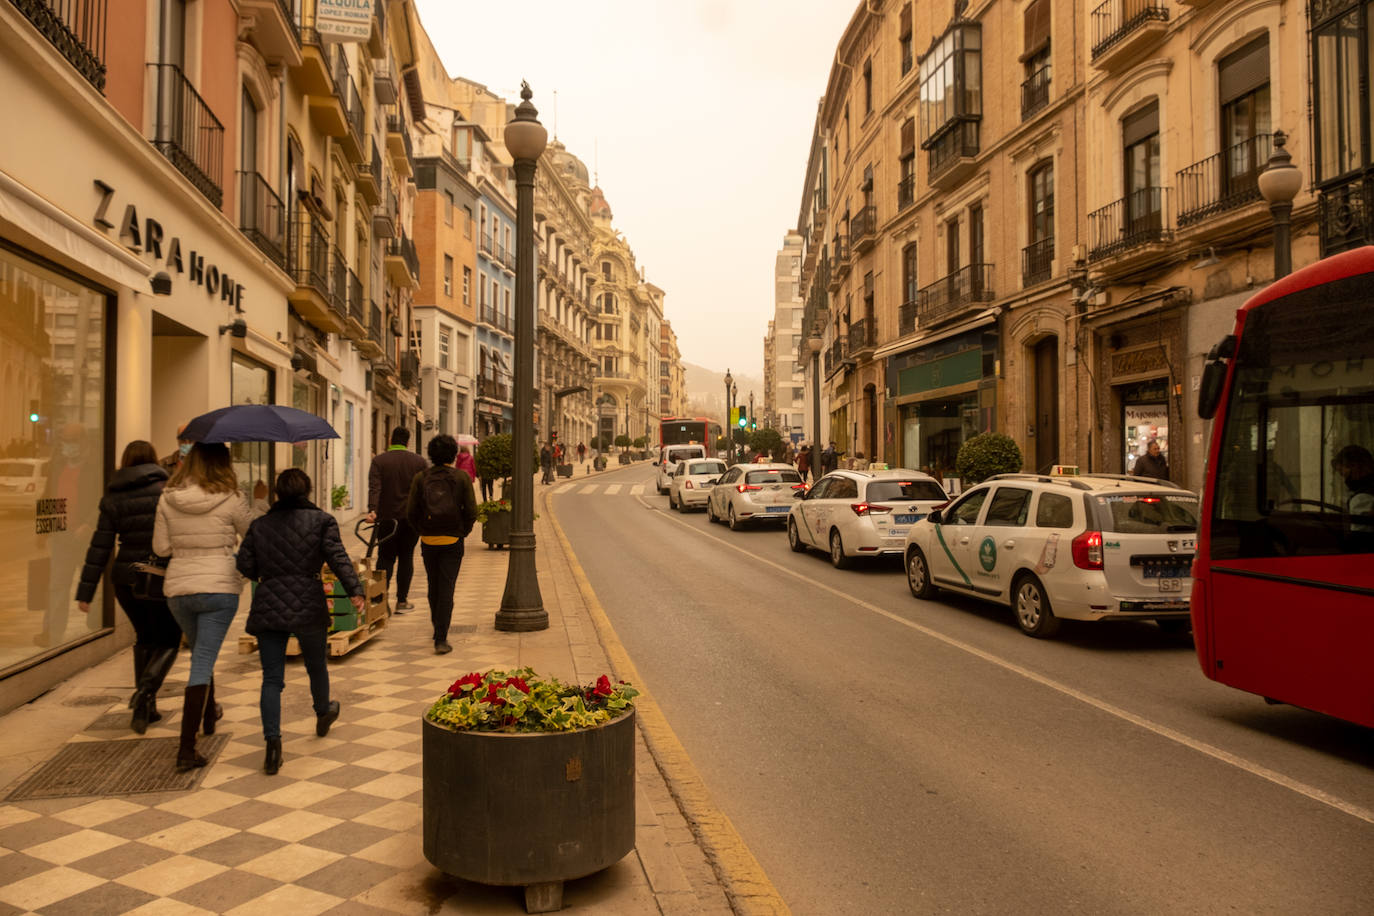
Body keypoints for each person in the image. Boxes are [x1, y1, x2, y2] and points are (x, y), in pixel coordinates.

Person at [237, 469, 364, 775]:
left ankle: (272, 745)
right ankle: (323, 712)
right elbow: (338, 558)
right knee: (316, 664)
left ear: (277, 493)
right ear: (307, 490)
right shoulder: (321, 521)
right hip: (308, 600)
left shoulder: (260, 525)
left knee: (271, 679)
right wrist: (355, 590)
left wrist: (267, 578)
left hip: (269, 602)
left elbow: (244, 563)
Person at [153, 442, 254, 772]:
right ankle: (186, 749)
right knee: (202, 659)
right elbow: (251, 535)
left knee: (201, 651)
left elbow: (161, 547)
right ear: (223, 463)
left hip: (179, 589)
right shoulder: (233, 497)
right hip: (219, 588)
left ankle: (210, 714)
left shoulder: (168, 497)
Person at [75, 440, 182, 733]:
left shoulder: (113, 495)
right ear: (152, 461)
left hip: (125, 579)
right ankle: (145, 692)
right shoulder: (168, 490)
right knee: (170, 638)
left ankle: (145, 712)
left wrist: (86, 592)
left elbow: (101, 545)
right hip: (160, 574)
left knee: (145, 637)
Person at [405, 434, 477, 654]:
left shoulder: (421, 477)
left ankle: (438, 627)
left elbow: (411, 512)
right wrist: (462, 532)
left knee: (432, 585)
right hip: (453, 540)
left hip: (428, 540)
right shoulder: (462, 478)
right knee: (447, 587)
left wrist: (422, 530)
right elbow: (472, 511)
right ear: (453, 455)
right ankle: (441, 637)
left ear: (431, 454)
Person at [366, 427, 426, 613]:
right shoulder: (419, 462)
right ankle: (402, 601)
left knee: (385, 558)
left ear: (391, 439)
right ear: (408, 442)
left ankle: (380, 601)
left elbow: (375, 488)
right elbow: (425, 492)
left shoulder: (379, 461)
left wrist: (372, 510)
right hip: (410, 519)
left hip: (386, 518)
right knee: (406, 557)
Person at [1332, 445, 1374, 535]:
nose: (1345, 480)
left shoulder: (1361, 498)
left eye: (1344, 473)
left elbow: (1360, 539)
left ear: (1356, 466)